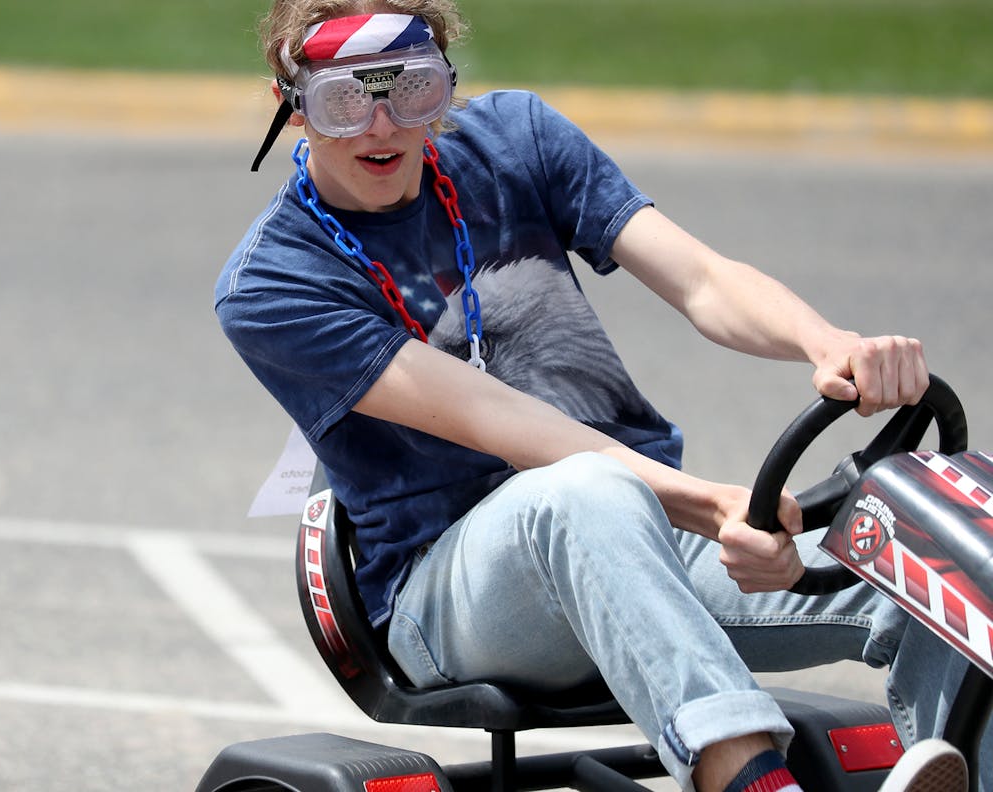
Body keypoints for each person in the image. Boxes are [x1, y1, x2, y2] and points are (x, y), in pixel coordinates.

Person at [215, 2, 977, 791]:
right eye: (345, 100)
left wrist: (832, 345)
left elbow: (705, 281)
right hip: (446, 593)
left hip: (639, 532)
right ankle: (744, 778)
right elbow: (500, 421)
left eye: (411, 90)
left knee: (933, 554)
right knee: (583, 493)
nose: (382, 127)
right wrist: (714, 507)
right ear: (292, 106)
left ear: (446, 84)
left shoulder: (515, 138)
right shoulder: (272, 282)